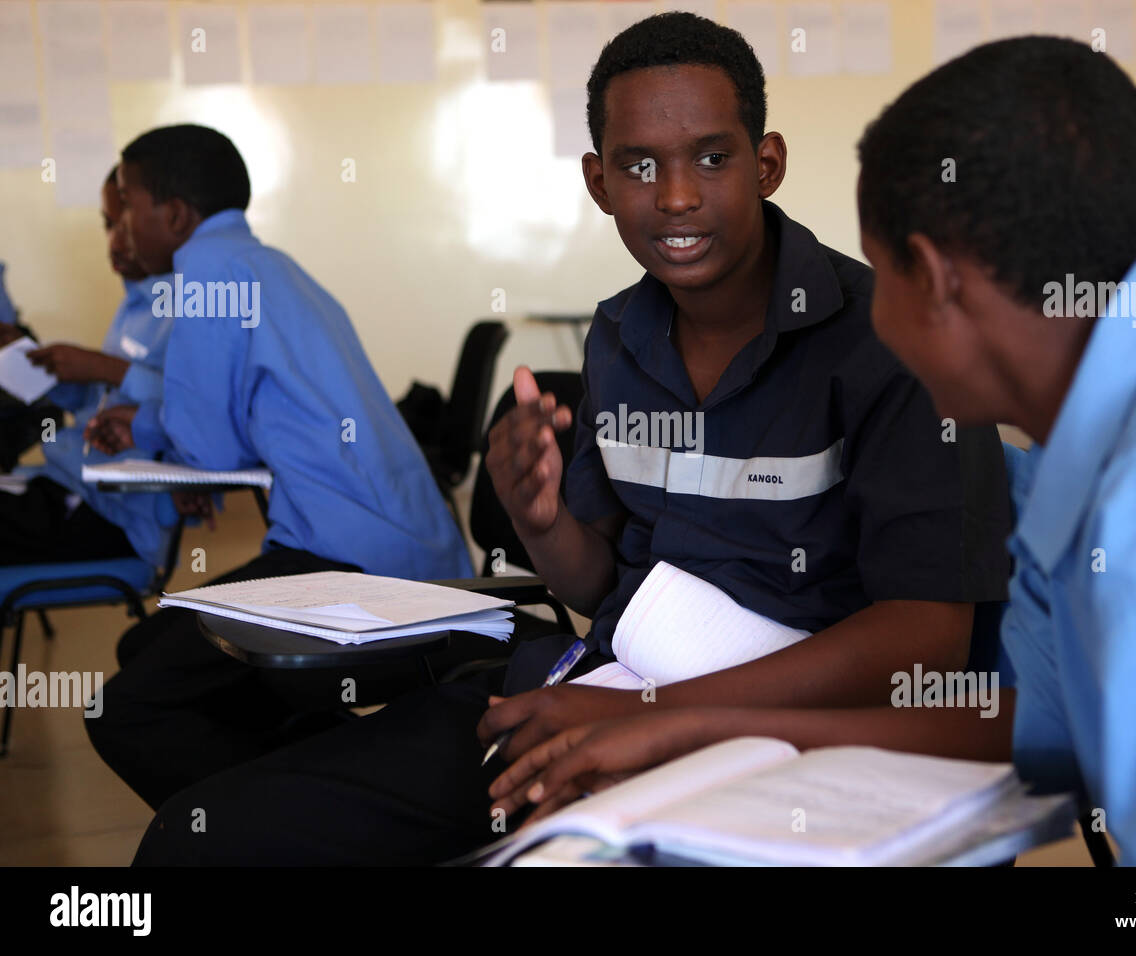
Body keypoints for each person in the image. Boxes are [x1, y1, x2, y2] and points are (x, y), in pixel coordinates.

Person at [125, 14, 1011, 865]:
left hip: (787, 745)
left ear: (766, 163)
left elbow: (927, 642)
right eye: (638, 166)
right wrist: (542, 518)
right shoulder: (621, 336)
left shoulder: (889, 340)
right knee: (204, 838)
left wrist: (664, 714)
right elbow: (601, 588)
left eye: (712, 157)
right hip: (598, 689)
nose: (675, 196)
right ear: (597, 183)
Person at [491, 36, 1136, 866]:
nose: (867, 317)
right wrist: (689, 723)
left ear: (935, 281)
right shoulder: (1135, 405)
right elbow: (1051, 720)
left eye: (881, 279)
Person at [85, 125, 474, 811]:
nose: (120, 224)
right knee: (150, 646)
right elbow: (238, 424)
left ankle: (292, 824)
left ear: (174, 215)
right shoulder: (271, 266)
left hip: (346, 563)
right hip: (410, 545)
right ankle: (326, 784)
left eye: (127, 205)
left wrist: (148, 428)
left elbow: (211, 453)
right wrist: (146, 422)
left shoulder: (204, 276)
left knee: (126, 709)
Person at [0, 166, 174, 567]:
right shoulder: (135, 304)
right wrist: (42, 366)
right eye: (108, 225)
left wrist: (101, 366)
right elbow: (97, 399)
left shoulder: (187, 310)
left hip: (110, 512)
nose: (115, 242)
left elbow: (187, 410)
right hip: (66, 481)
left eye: (124, 225)